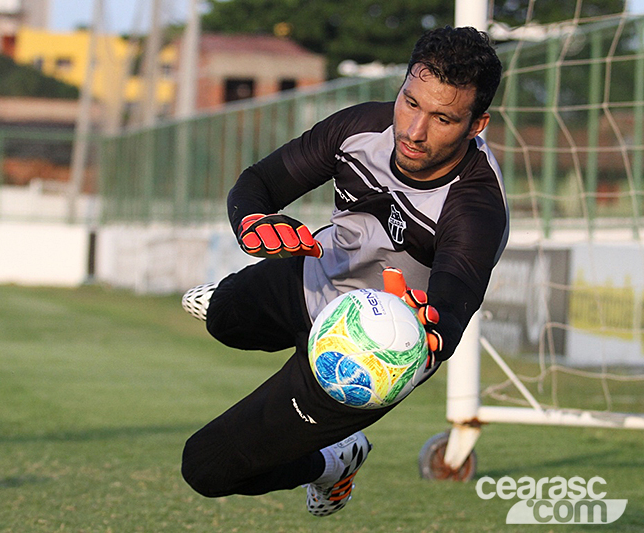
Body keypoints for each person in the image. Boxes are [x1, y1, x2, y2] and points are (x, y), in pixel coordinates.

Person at [180, 25, 508, 517]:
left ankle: (333, 462)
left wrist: (430, 325)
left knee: (206, 467)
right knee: (227, 316)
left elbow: (451, 309)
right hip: (321, 272)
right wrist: (253, 222)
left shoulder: (476, 208)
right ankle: (233, 305)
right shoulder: (360, 127)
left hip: (367, 354)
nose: (414, 131)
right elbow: (259, 183)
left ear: (475, 125)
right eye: (411, 103)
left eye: (442, 118)